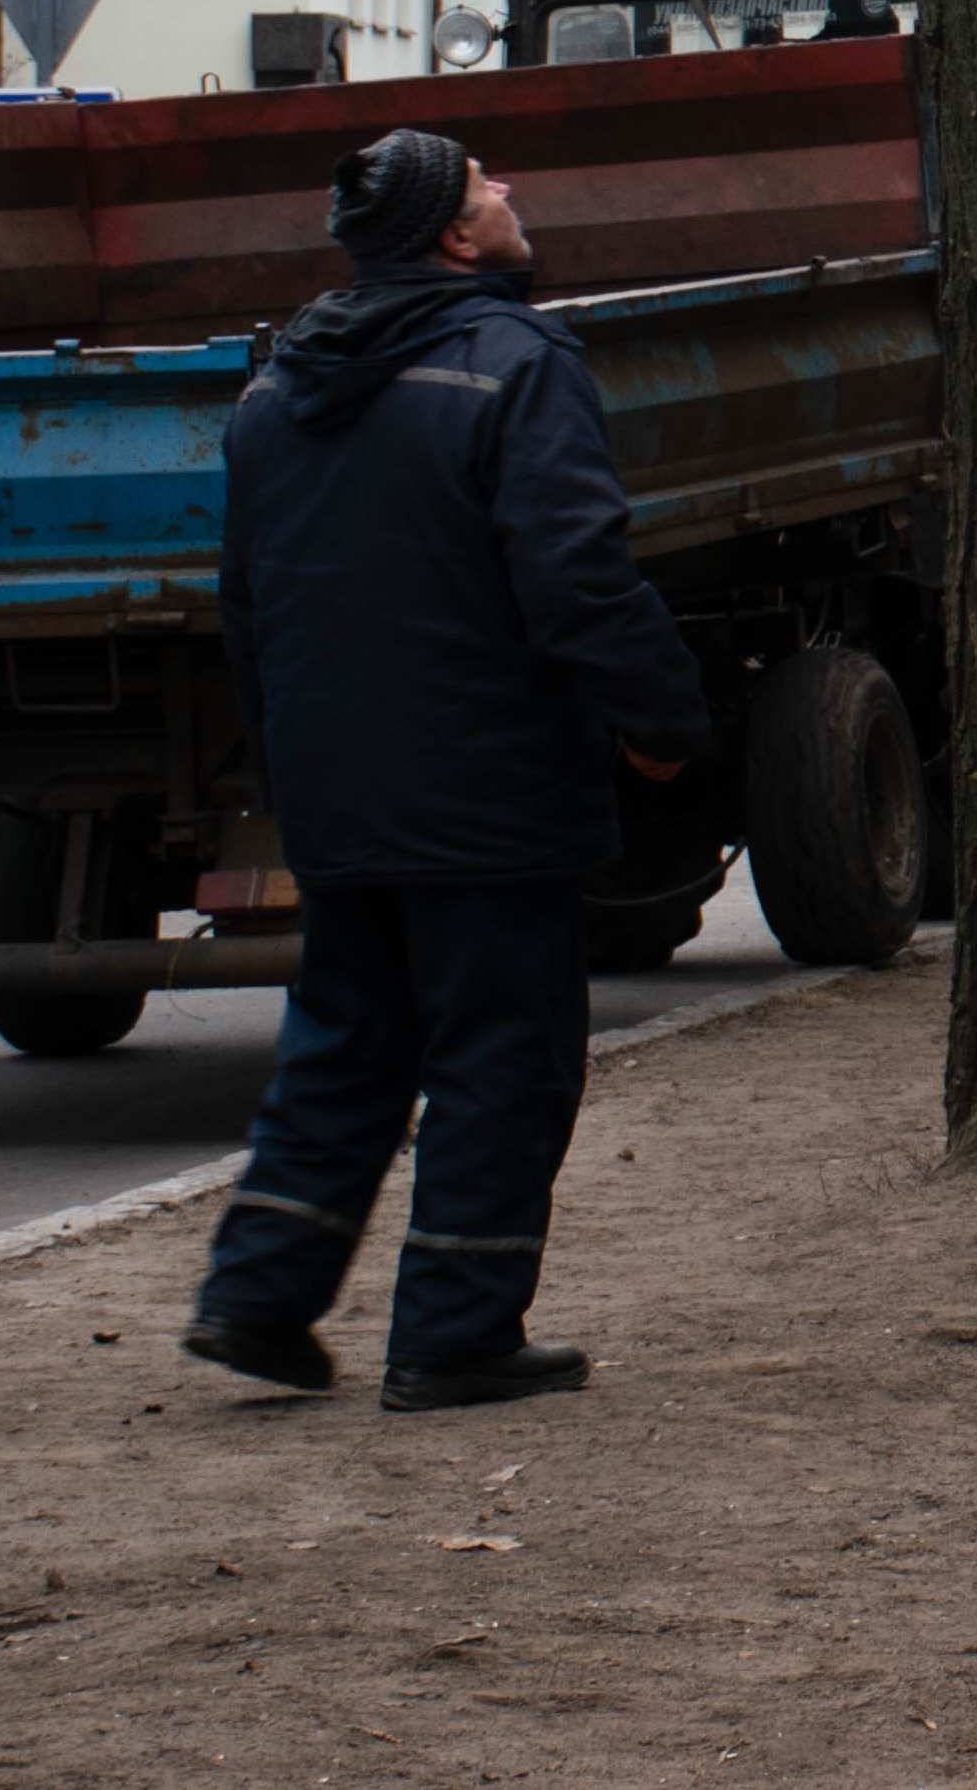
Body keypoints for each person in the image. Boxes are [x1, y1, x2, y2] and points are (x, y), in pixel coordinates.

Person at [182, 128, 713, 1415]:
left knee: (347, 1043)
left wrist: (291, 764)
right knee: (503, 1054)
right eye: (486, 186)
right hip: (490, 790)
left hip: (339, 786)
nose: (510, 191)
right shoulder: (513, 366)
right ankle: (455, 1332)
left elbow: (247, 605)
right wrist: (662, 718)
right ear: (453, 238)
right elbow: (575, 572)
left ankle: (256, 1296)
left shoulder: (274, 389)